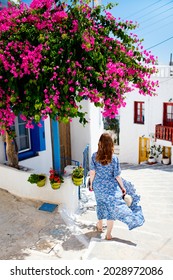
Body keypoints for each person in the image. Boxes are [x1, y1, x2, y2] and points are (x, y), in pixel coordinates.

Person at [89, 133, 145, 240]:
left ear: (100, 143)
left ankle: (100, 226)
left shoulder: (94, 156)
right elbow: (117, 176)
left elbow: (92, 172)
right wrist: (123, 187)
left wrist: (91, 184)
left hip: (98, 187)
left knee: (100, 204)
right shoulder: (114, 158)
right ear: (111, 144)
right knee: (111, 210)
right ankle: (108, 234)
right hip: (111, 188)